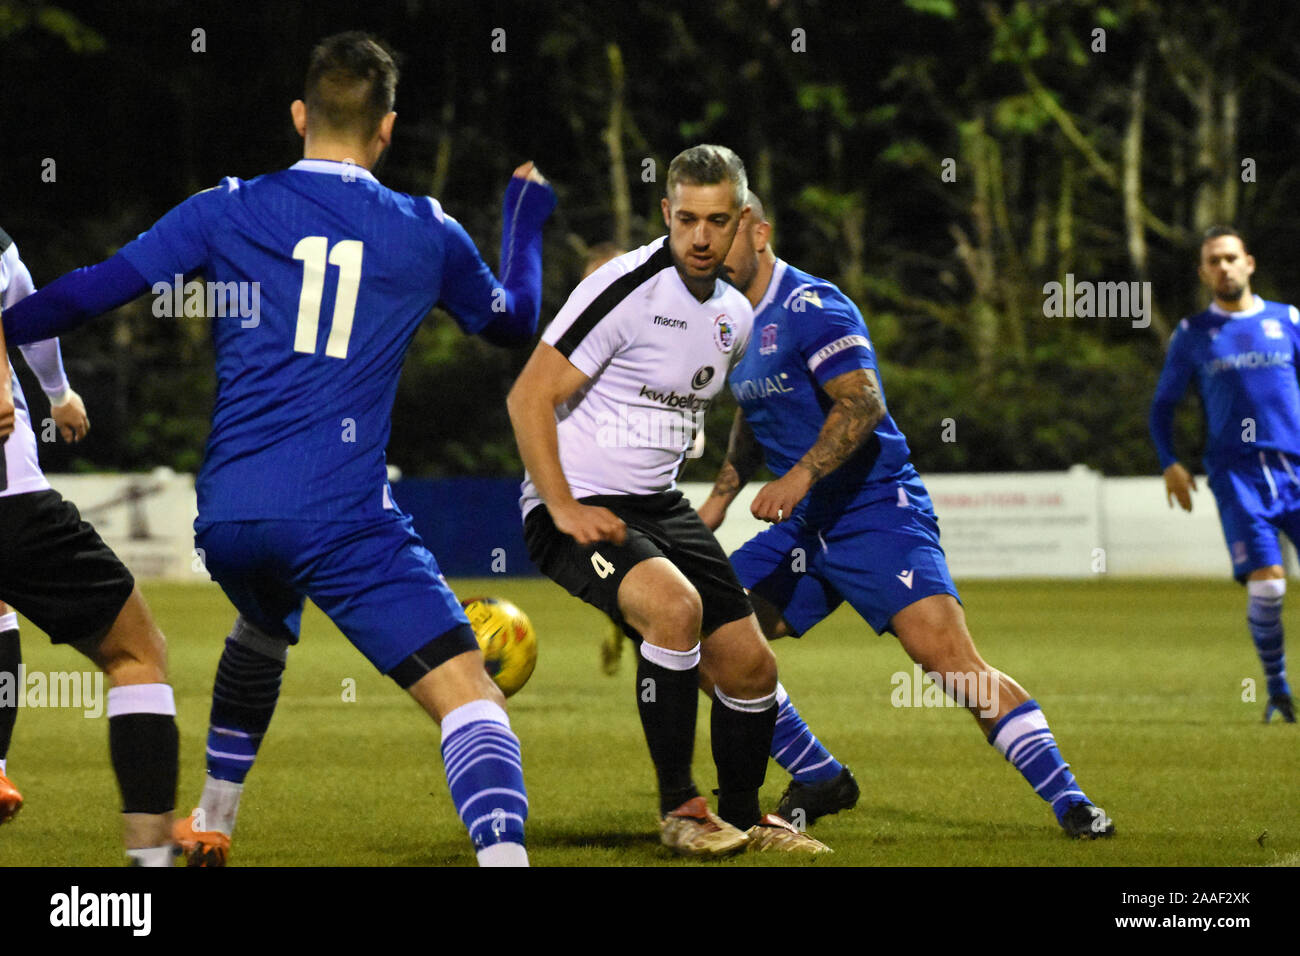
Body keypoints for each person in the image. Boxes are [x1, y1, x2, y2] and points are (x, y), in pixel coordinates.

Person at [3, 32, 556, 866]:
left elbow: (87, 292)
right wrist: (526, 226)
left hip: (228, 517)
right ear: (388, 130)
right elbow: (513, 323)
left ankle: (213, 822)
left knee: (263, 620)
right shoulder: (424, 230)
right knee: (471, 695)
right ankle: (505, 861)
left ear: (300, 114)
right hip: (339, 513)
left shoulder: (224, 207)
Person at [697, 191, 1116, 839]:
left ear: (759, 233)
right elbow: (752, 411)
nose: (710, 246)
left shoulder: (813, 305)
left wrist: (801, 473)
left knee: (951, 664)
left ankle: (1071, 801)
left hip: (874, 512)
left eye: (724, 229)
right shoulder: (731, 322)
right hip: (805, 528)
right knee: (711, 638)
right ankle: (819, 776)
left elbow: (862, 401)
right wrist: (722, 497)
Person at [508, 145, 828, 856]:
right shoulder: (624, 287)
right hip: (579, 504)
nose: (702, 237)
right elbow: (529, 394)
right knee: (674, 609)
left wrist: (721, 494)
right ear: (666, 215)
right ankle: (681, 809)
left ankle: (743, 818)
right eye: (687, 219)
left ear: (743, 219)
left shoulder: (734, 318)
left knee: (752, 667)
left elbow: (692, 413)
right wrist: (559, 505)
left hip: (657, 504)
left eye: (718, 221)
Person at [0, 229, 178, 864]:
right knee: (137, 653)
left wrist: (54, 394)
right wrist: (52, 393)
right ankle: (148, 865)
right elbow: (29, 315)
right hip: (11, 505)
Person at [1150, 226, 1297, 723]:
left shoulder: (1288, 320)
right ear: (1203, 271)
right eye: (1214, 260)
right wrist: (1170, 461)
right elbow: (1162, 407)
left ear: (1249, 263)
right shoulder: (1193, 335)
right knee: (1270, 586)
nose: (1224, 267)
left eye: (1231, 258)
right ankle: (1277, 687)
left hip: (1296, 467)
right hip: (1237, 475)